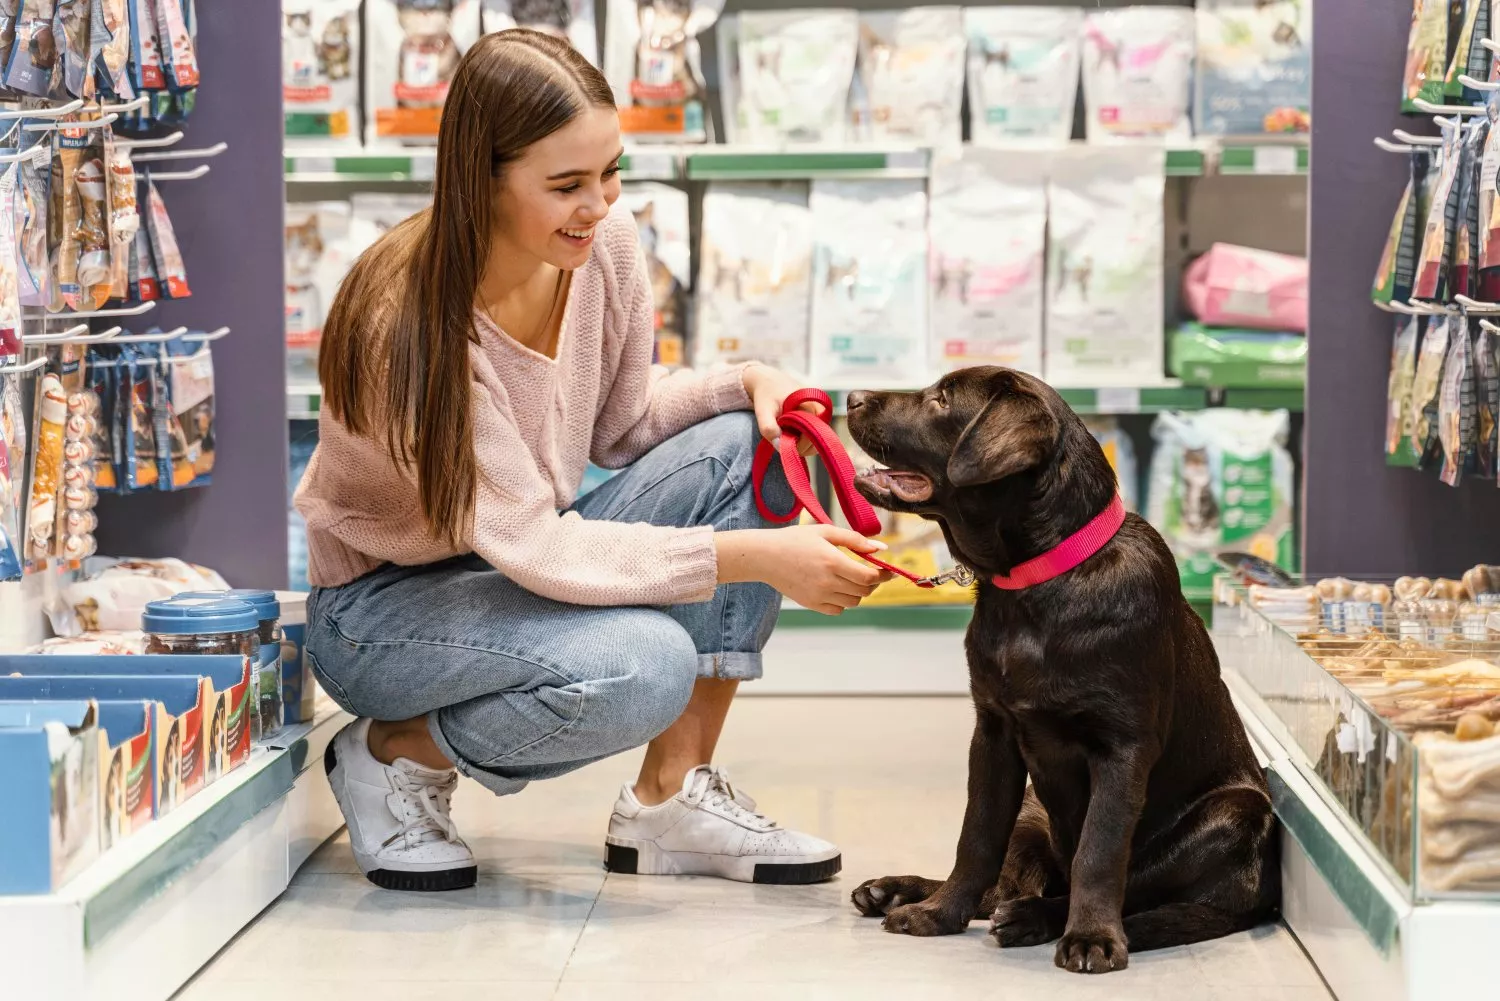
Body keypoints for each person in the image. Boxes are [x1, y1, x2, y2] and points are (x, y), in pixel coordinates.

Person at [295, 28, 891, 893]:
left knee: (751, 445)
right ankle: (392, 753)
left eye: (610, 171)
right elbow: (538, 545)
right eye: (567, 184)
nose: (600, 203)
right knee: (643, 663)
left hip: (514, 563)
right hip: (382, 614)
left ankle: (669, 798)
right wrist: (759, 558)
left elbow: (622, 424)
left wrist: (751, 382)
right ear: (481, 179)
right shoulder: (409, 329)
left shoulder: (598, 247)